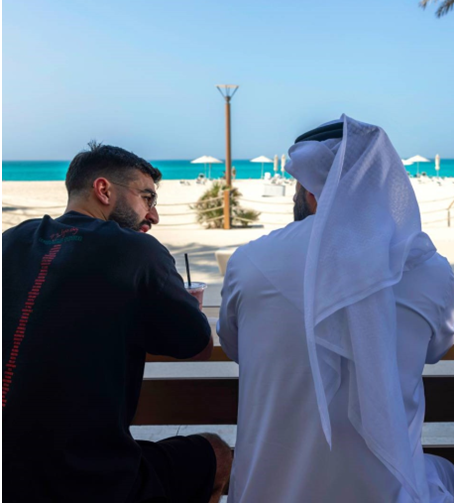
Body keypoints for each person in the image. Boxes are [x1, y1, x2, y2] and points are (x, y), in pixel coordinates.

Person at [218, 116, 454, 502]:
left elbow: (234, 346)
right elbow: (436, 350)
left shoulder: (250, 262)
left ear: (312, 191)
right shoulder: (429, 268)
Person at [2, 143, 232, 503]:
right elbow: (197, 346)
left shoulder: (12, 240)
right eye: (147, 197)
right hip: (87, 482)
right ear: (104, 190)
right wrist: (183, 306)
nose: (153, 216)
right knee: (216, 453)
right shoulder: (135, 251)